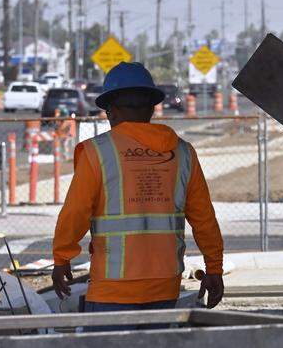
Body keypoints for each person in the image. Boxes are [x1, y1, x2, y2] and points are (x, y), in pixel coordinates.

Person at [51, 61, 224, 317]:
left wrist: (61, 258)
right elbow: (204, 218)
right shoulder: (183, 153)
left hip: (113, 289)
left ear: (110, 110)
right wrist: (214, 269)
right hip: (165, 286)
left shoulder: (97, 153)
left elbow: (75, 212)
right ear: (152, 109)